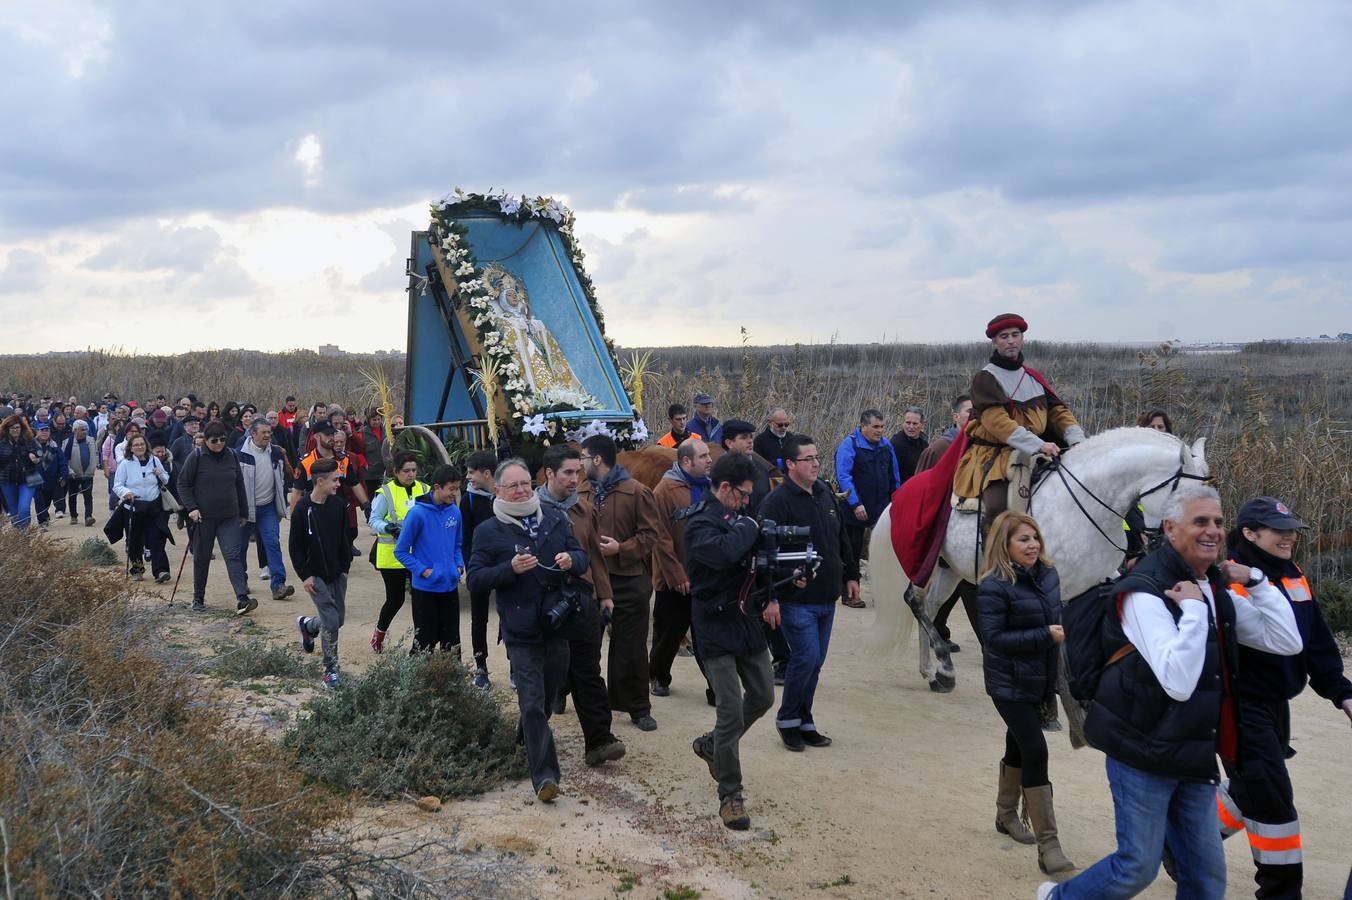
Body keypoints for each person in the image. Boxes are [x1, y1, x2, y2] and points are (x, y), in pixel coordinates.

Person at [1046, 484, 1303, 900]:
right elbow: (1178, 682)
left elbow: (1285, 641)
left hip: (1194, 752)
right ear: (1169, 528)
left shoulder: (1212, 585)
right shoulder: (1143, 590)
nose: (1214, 531)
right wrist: (1196, 612)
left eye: (1219, 522)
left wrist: (1257, 581)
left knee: (1205, 882)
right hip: (1142, 751)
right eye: (1200, 521)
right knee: (1137, 868)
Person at [1217, 497, 1352, 899]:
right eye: (1279, 529)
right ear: (1249, 533)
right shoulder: (1229, 581)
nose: (1290, 535)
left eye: (1293, 528)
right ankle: (1279, 893)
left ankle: (1183, 839)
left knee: (1250, 789)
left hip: (1274, 706)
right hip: (1239, 707)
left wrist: (1342, 693)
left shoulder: (1292, 575)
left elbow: (1316, 640)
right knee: (1274, 803)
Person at [468, 458, 588, 802]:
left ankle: (524, 741)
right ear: (499, 490)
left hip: (557, 624)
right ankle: (545, 776)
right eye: (513, 486)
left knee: (547, 700)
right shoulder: (489, 530)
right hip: (520, 631)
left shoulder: (554, 519)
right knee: (532, 702)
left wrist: (571, 560)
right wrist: (510, 568)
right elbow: (475, 580)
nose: (521, 491)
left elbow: (583, 558)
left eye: (525, 484)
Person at [976, 512, 1074, 875]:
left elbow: (1058, 618)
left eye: (1035, 537)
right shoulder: (992, 587)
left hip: (1040, 679)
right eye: (1023, 539)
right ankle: (1049, 845)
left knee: (1018, 743)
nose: (1033, 545)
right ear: (1005, 545)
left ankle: (1005, 815)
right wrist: (1045, 636)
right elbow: (995, 640)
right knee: (1035, 748)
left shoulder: (1049, 575)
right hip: (1007, 683)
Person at [685, 453, 775, 830]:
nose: (747, 502)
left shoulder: (741, 518)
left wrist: (779, 583)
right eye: (742, 496)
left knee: (764, 695)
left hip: (746, 619)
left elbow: (757, 558)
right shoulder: (698, 524)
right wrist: (751, 526)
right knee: (729, 708)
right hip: (714, 626)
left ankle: (711, 745)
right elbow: (724, 554)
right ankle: (730, 793)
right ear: (724, 489)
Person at [760, 434, 860, 751]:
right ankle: (787, 719)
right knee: (806, 658)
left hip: (827, 597)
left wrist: (851, 575)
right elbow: (765, 550)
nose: (816, 463)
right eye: (808, 459)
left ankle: (804, 720)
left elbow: (840, 536)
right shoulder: (777, 502)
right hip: (796, 600)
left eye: (817, 457)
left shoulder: (825, 493)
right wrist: (772, 596)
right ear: (790, 465)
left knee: (814, 663)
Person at [536, 444, 627, 768]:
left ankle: (600, 741)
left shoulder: (585, 509)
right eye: (568, 473)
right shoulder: (529, 509)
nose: (576, 479)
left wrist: (604, 595)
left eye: (578, 472)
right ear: (549, 474)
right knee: (544, 677)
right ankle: (528, 742)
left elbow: (595, 556)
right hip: (543, 606)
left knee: (588, 672)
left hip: (581, 602)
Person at [954, 313, 1085, 532]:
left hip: (1037, 453)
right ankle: (994, 562)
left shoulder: (1033, 376)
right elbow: (998, 423)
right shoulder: (986, 379)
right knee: (997, 507)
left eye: (1015, 335)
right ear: (995, 342)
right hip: (995, 457)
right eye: (1004, 336)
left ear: (1022, 338)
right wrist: (1038, 445)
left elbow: (1058, 412)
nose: (1011, 340)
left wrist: (1077, 440)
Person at [578, 434, 660, 732]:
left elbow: (651, 537)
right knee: (584, 644)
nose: (581, 463)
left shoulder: (637, 492)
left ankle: (638, 708)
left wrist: (620, 549)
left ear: (597, 460)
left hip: (628, 581)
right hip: (590, 581)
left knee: (631, 647)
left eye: (584, 457)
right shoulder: (581, 492)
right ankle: (567, 695)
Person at [721, 419, 790, 679]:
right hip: (733, 547)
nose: (750, 440)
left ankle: (782, 659)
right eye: (743, 437)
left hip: (759, 544)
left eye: (751, 436)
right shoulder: (721, 473)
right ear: (728, 442)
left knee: (765, 597)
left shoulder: (758, 468)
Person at [649, 438, 713, 699]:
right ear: (686, 462)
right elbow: (660, 537)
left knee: (707, 637)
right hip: (675, 580)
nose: (710, 460)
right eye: (704, 456)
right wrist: (676, 574)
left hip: (705, 578)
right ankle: (658, 675)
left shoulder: (712, 488)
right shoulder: (664, 490)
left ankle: (717, 686)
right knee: (668, 633)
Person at [178, 421, 253, 615]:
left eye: (222, 439)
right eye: (214, 440)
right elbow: (183, 484)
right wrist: (192, 508)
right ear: (206, 441)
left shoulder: (231, 456)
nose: (219, 443)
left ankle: (242, 598)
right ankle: (198, 598)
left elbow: (239, 484)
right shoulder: (196, 457)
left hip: (229, 516)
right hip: (203, 517)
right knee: (202, 558)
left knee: (232, 555)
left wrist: (244, 512)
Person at [393, 464, 466, 654]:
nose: (455, 493)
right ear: (437, 487)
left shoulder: (455, 512)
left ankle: (453, 683)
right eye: (451, 489)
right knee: (424, 644)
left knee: (452, 644)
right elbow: (400, 551)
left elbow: (458, 545)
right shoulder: (417, 514)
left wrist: (458, 566)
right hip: (425, 590)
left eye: (457, 488)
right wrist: (424, 571)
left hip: (450, 587)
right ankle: (418, 683)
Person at [291, 458, 350, 689]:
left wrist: (344, 569)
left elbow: (344, 539)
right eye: (335, 480)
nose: (338, 484)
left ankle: (308, 626)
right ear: (320, 481)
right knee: (331, 620)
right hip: (314, 575)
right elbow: (294, 548)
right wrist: (305, 576)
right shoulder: (302, 510)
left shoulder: (338, 505)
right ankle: (330, 670)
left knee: (337, 619)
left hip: (337, 573)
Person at [368, 451, 428, 653]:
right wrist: (388, 528)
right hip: (392, 556)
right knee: (396, 599)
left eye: (413, 470)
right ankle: (379, 634)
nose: (411, 474)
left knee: (420, 599)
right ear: (396, 472)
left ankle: (419, 644)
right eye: (406, 471)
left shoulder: (425, 490)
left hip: (418, 555)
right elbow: (373, 519)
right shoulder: (385, 493)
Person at [834, 408, 900, 573]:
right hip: (855, 509)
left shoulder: (886, 445)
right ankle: (850, 592)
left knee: (885, 551)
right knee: (851, 552)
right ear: (863, 426)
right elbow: (844, 477)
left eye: (882, 427)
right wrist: (856, 504)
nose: (880, 431)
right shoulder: (849, 445)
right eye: (875, 427)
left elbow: (894, 476)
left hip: (882, 508)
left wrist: (897, 502)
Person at [237, 419, 295, 602]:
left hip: (268, 507)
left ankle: (278, 585)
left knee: (272, 543)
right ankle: (241, 583)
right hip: (244, 509)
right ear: (252, 433)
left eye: (269, 432)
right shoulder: (239, 454)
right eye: (264, 432)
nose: (268, 436)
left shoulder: (275, 452)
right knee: (240, 548)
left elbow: (283, 477)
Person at [461, 450, 499, 688]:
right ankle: (481, 667)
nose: (468, 477)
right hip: (480, 566)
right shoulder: (469, 499)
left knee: (510, 616)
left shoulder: (505, 495)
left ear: (487, 474)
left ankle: (515, 667)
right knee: (479, 619)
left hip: (506, 566)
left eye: (471, 473)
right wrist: (469, 567)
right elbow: (464, 537)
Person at [113, 434, 171, 582]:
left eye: (142, 444)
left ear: (146, 445)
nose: (140, 447)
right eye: (136, 445)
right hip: (133, 507)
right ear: (131, 448)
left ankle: (161, 571)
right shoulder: (125, 464)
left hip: (153, 506)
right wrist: (127, 493)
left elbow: (166, 479)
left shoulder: (154, 460)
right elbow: (117, 485)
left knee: (157, 538)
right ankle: (137, 569)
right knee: (134, 540)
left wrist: (161, 474)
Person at [0, 414, 42, 528]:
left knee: (24, 508)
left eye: (17, 427)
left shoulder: (28, 439)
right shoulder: (2, 442)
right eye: (12, 428)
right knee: (14, 513)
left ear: (21, 427)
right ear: (7, 429)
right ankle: (20, 539)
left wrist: (36, 457)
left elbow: (39, 451)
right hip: (7, 481)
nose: (15, 430)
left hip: (27, 479)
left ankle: (23, 535)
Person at [30, 421, 68, 529]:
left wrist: (64, 475)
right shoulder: (30, 446)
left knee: (46, 501)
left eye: (47, 430)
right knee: (39, 500)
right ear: (37, 432)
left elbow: (62, 462)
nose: (44, 433)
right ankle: (42, 522)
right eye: (42, 430)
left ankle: (45, 516)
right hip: (35, 478)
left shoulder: (54, 447)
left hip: (51, 479)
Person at [63, 419, 98, 526]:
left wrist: (92, 469)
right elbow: (64, 459)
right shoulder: (67, 442)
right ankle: (74, 516)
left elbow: (94, 456)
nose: (84, 432)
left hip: (88, 473)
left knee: (88, 496)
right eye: (82, 430)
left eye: (86, 429)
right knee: (72, 496)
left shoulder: (91, 440)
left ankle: (88, 516)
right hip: (74, 474)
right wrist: (69, 471)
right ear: (75, 430)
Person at [889, 405, 928, 484]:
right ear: (903, 423)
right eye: (908, 423)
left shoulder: (924, 444)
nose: (911, 427)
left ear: (922, 424)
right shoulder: (895, 444)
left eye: (915, 423)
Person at [360, 409, 388, 502]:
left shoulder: (386, 431)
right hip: (370, 474)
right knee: (372, 500)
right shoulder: (362, 433)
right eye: (374, 420)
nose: (377, 422)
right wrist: (364, 463)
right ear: (369, 420)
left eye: (379, 419)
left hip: (384, 473)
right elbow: (358, 451)